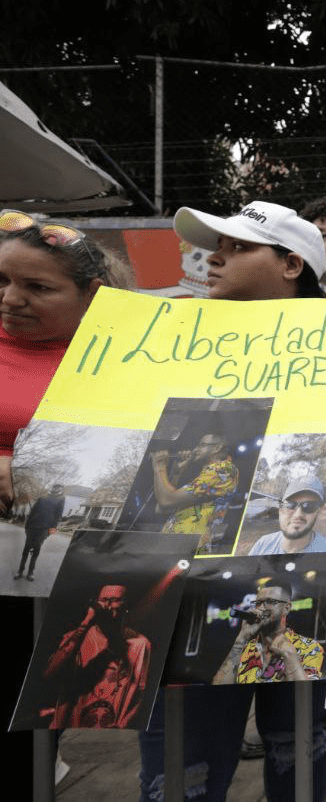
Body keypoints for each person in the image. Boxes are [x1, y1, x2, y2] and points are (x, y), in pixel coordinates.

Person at [138, 200, 326, 802]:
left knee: (297, 743)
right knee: (181, 764)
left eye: (239, 247)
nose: (213, 256)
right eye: (213, 244)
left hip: (300, 593)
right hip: (180, 594)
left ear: (291, 264)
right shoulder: (172, 336)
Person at [0, 210, 132, 797]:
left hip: (61, 576)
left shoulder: (128, 361)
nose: (11, 299)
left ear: (92, 297)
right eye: (2, 281)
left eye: (37, 288)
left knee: (29, 719)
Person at [43, 584, 150, 729]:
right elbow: (50, 672)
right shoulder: (78, 637)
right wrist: (87, 621)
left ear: (125, 606)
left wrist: (122, 725)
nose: (107, 605)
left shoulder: (139, 644)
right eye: (103, 600)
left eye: (114, 600)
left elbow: (141, 696)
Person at [213, 578, 324, 684]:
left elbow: (308, 693)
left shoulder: (309, 647)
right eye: (258, 603)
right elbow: (218, 690)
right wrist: (241, 638)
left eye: (269, 602)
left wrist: (290, 656)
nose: (261, 607)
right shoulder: (245, 648)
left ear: (286, 608)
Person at [151, 431, 238, 552]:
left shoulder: (221, 471)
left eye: (202, 445)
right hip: (175, 544)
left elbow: (165, 500)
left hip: (187, 547)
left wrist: (159, 467)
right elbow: (161, 508)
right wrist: (177, 474)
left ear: (216, 448)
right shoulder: (206, 474)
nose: (195, 449)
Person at [247, 477, 326, 555]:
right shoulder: (262, 544)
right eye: (290, 505)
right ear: (280, 510)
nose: (298, 514)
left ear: (318, 512)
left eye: (309, 506)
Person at [15, 482, 64, 580]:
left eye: (59, 487)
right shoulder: (43, 498)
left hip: (44, 529)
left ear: (61, 489)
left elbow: (58, 516)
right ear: (53, 487)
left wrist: (51, 531)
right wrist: (27, 526)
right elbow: (32, 511)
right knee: (26, 550)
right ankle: (20, 571)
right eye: (55, 486)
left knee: (35, 551)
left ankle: (30, 573)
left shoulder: (61, 499)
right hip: (32, 527)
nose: (56, 488)